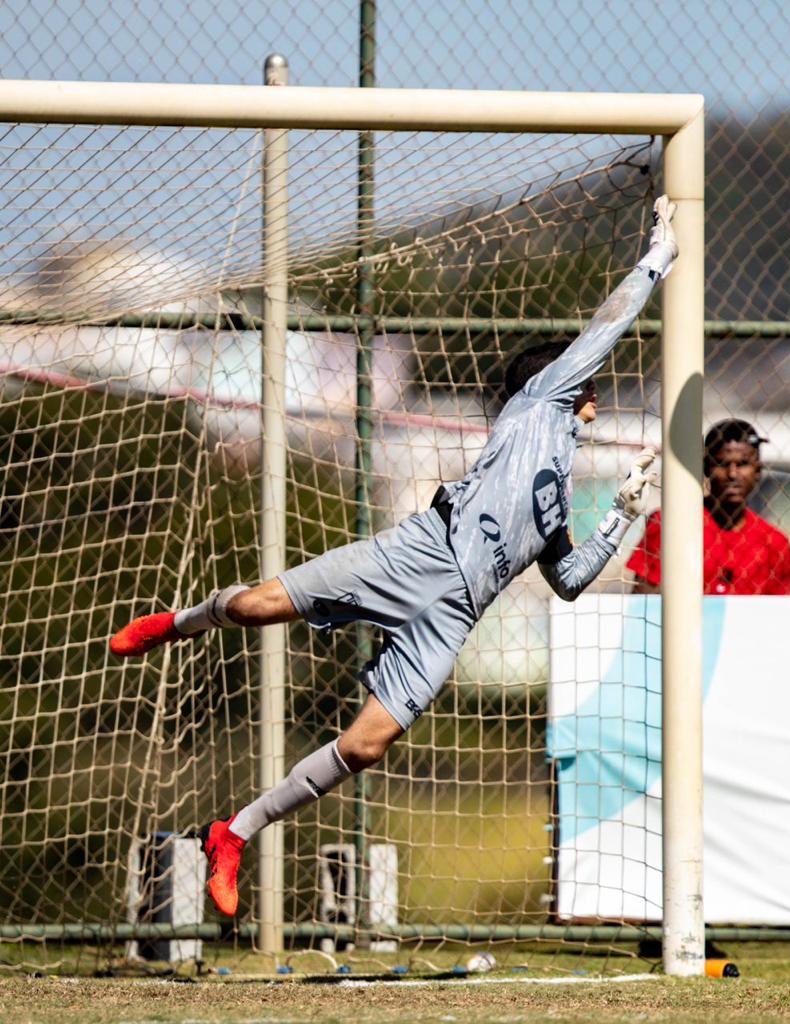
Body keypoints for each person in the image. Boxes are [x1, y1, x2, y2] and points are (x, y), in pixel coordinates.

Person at [107, 196, 680, 917]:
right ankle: (177, 623)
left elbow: (565, 582)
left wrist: (620, 521)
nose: (596, 385)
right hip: (421, 551)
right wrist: (656, 260)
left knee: (369, 743)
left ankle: (234, 832)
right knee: (257, 607)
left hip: (456, 613)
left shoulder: (558, 493)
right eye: (588, 380)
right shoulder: (538, 404)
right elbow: (606, 328)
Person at [627, 418, 790, 595]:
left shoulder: (774, 544)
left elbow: (780, 615)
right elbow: (643, 602)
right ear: (706, 468)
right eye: (722, 464)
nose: (732, 473)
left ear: (758, 471)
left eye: (743, 464)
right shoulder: (671, 525)